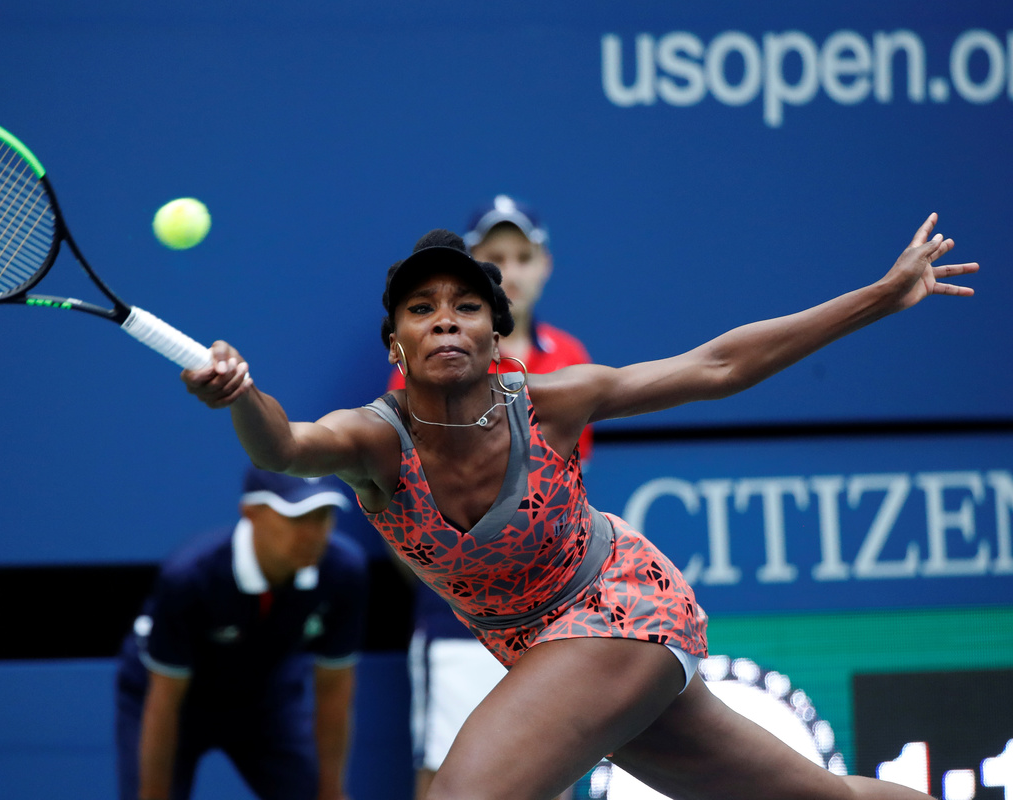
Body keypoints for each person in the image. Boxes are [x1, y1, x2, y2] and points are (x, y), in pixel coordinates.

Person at [181, 212, 976, 800]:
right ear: (397, 343)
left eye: (466, 306)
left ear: (496, 336)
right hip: (532, 644)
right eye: (421, 309)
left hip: (620, 611)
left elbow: (720, 366)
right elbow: (281, 447)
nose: (445, 317)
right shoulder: (373, 441)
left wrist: (881, 296)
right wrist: (240, 395)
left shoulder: (552, 403)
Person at [387, 195, 593, 800]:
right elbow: (402, 496)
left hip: (556, 614)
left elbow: (569, 490)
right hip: (460, 616)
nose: (512, 270)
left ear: (545, 264)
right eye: (496, 257)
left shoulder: (571, 359)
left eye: (524, 256)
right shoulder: (430, 361)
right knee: (446, 780)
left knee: (550, 779)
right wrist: (455, 583)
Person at [115, 467, 369, 800]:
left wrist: (332, 791)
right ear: (251, 512)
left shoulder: (343, 570)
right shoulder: (190, 577)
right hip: (170, 702)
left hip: (267, 701)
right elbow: (164, 698)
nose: (313, 534)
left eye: (323, 516)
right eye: (296, 518)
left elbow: (334, 687)